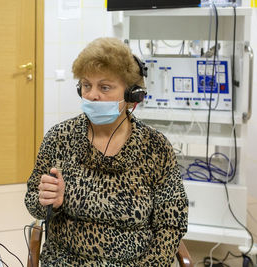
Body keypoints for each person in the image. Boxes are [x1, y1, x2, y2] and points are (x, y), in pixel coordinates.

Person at [25, 37, 188, 266]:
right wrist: (51, 202)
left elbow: (171, 222)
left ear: (131, 94)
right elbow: (33, 200)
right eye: (86, 85)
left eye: (105, 87)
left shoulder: (155, 147)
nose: (92, 95)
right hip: (66, 261)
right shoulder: (60, 137)